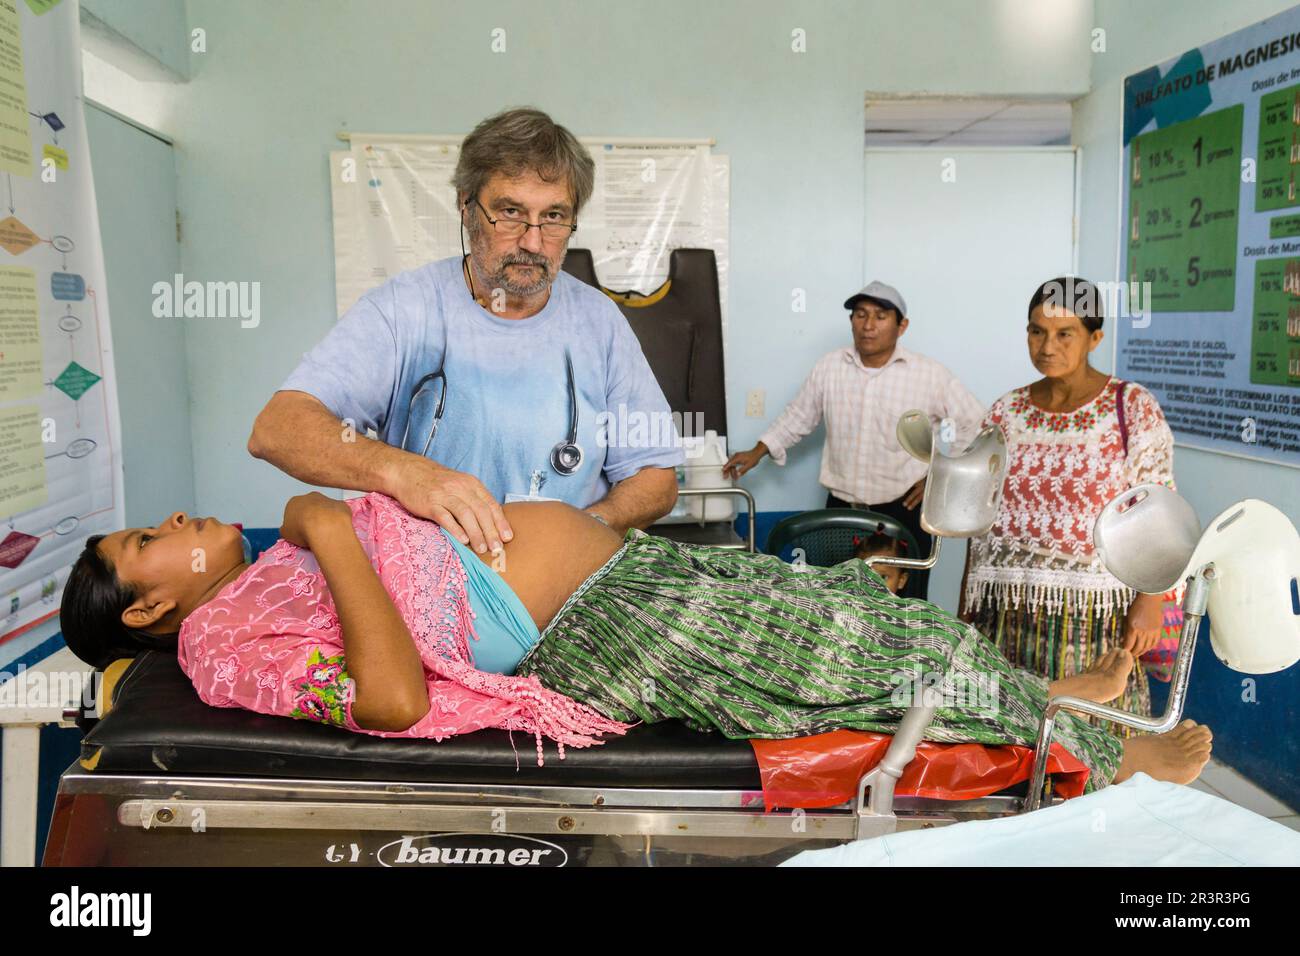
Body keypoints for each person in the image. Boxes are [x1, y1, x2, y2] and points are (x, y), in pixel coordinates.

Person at [59, 491, 1212, 792]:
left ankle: (1049, 690)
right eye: (143, 543)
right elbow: (394, 696)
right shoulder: (225, 646)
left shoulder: (248, 588)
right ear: (150, 610)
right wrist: (323, 521)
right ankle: (1109, 751)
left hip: (627, 571)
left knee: (881, 617)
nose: (168, 525)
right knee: (870, 665)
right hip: (605, 626)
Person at [248, 107, 682, 557]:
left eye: (553, 217)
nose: (533, 242)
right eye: (510, 212)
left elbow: (656, 477)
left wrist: (582, 528)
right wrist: (403, 472)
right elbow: (277, 429)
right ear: (466, 206)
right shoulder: (404, 310)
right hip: (435, 589)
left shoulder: (599, 321)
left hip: (566, 582)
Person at [959, 277, 1177, 728]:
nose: (1046, 346)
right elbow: (980, 517)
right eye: (1036, 331)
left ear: (1094, 338)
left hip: (1096, 614)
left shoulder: (1131, 408)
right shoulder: (1005, 412)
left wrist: (1151, 600)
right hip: (1007, 609)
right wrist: (968, 602)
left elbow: (1162, 514)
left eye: (1064, 334)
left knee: (1092, 737)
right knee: (1013, 727)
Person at [723, 281, 985, 598]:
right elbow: (799, 415)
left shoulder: (929, 375)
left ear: (902, 326)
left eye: (880, 316)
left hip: (902, 511)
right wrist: (758, 451)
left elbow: (974, 423)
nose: (868, 325)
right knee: (840, 605)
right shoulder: (830, 367)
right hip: (840, 512)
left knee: (905, 611)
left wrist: (942, 479)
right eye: (860, 315)